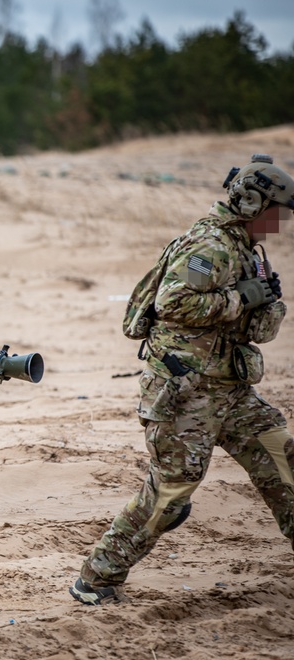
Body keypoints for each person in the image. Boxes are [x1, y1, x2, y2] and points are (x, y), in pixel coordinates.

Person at [70, 154, 294, 605]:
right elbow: (174, 303)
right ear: (251, 204)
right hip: (186, 393)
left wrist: (265, 302)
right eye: (276, 215)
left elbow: (256, 327)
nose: (280, 225)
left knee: (283, 462)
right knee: (171, 493)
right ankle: (98, 577)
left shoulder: (247, 249)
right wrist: (240, 297)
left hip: (230, 390)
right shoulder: (210, 245)